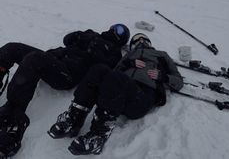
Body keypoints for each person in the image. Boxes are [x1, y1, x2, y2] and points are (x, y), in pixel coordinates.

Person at [0, 24, 130, 158]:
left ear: (122, 39)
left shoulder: (114, 53)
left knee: (34, 59)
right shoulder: (93, 34)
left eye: (120, 30)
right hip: (54, 57)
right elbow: (67, 39)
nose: (114, 29)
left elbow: (104, 70)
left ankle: (12, 118)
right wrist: (80, 35)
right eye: (115, 26)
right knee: (12, 48)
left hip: (67, 73)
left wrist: (95, 48)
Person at [48, 33, 183, 155]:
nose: (141, 41)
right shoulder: (129, 56)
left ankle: (98, 135)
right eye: (136, 40)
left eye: (144, 39)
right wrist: (128, 63)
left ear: (149, 43)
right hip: (119, 96)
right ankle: (73, 119)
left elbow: (179, 81)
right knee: (99, 70)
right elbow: (114, 71)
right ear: (132, 46)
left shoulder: (161, 55)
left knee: (116, 77)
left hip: (141, 98)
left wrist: (163, 77)